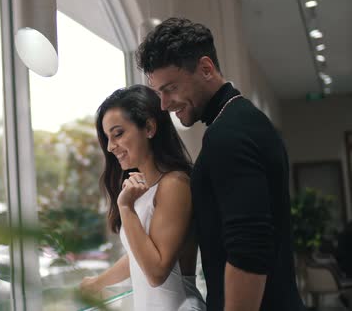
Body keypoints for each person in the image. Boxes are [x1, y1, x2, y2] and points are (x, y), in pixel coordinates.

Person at [135, 17, 305, 311]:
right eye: (158, 92)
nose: (164, 104)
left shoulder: (229, 134)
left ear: (206, 68)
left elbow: (249, 249)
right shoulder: (241, 120)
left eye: (171, 88)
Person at [80, 85, 206, 311]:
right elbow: (141, 257)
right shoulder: (144, 189)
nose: (110, 147)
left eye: (118, 134)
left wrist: (125, 207)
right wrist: (97, 283)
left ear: (149, 127)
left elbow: (156, 272)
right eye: (107, 138)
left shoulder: (175, 184)